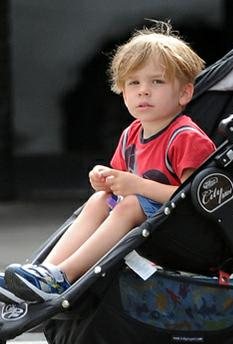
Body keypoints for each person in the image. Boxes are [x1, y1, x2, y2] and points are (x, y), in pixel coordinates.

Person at [0, 21, 214, 303]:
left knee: (130, 203)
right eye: (134, 83)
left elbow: (192, 197)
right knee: (100, 199)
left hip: (181, 232)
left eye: (157, 82)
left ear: (184, 93)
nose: (143, 91)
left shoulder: (186, 137)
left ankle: (65, 275)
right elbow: (120, 184)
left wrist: (136, 185)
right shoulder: (131, 134)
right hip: (144, 222)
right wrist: (105, 179)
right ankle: (45, 272)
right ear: (122, 92)